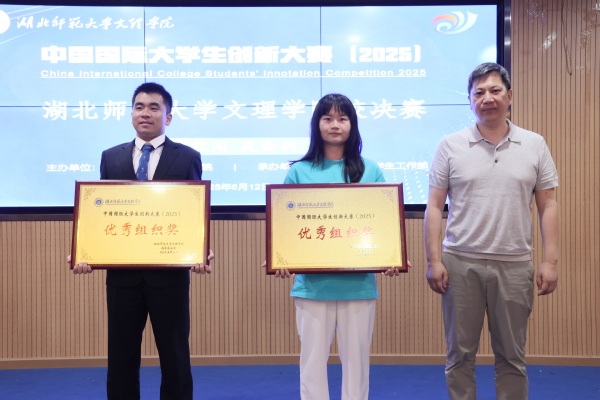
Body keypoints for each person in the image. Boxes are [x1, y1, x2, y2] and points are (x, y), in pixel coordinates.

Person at [70, 82, 214, 400]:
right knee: (121, 355)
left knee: (175, 354)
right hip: (122, 277)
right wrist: (85, 251)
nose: (145, 113)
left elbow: (193, 211)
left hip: (169, 276)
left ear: (168, 117)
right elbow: (100, 214)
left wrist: (201, 248)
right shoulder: (111, 157)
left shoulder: (187, 156)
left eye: (153, 107)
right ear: (131, 113)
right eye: (139, 106)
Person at [424, 63, 559, 400]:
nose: (487, 98)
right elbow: (434, 206)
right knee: (459, 356)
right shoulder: (450, 145)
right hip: (459, 263)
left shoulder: (534, 144)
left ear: (509, 96)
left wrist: (550, 262)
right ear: (469, 100)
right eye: (479, 92)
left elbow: (548, 205)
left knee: (512, 357)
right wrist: (433, 260)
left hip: (514, 265)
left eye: (495, 90)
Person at [270, 93, 408, 400]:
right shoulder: (298, 171)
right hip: (312, 287)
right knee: (311, 365)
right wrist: (280, 257)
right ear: (317, 124)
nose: (335, 125)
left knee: (357, 366)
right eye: (328, 118)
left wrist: (392, 256)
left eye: (342, 118)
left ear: (352, 125)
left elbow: (384, 224)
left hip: (358, 286)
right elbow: (285, 228)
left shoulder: (371, 170)